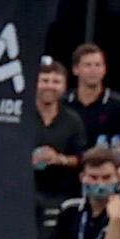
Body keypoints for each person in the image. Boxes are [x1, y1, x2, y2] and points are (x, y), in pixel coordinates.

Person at [45, 147, 120, 239]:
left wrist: (115, 220)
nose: (100, 184)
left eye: (106, 178)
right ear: (82, 178)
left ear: (117, 177)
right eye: (94, 178)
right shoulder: (70, 209)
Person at [31, 57, 86, 214]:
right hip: (22, 190)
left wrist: (58, 159)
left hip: (60, 195)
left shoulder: (73, 120)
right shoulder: (21, 117)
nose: (50, 86)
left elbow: (80, 158)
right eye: (45, 80)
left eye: (56, 82)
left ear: (64, 86)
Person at [66, 43, 120, 148]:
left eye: (98, 65)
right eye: (88, 65)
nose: (93, 70)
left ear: (104, 69)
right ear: (75, 69)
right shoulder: (63, 103)